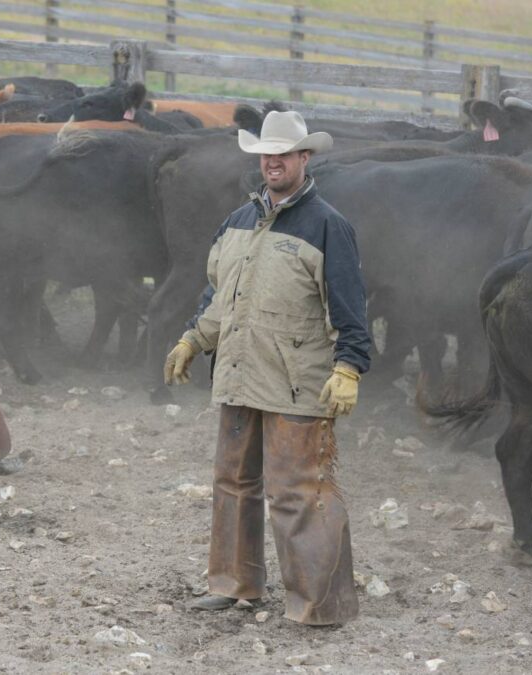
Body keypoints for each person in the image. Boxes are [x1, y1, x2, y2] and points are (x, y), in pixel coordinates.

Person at [164, 110, 371, 626]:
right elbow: (220, 297)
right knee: (233, 480)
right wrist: (195, 337)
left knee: (300, 489)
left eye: (283, 153)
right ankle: (234, 586)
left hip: (297, 384)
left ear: (305, 158)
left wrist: (349, 366)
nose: (273, 161)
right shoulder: (238, 221)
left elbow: (349, 308)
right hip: (237, 374)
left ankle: (321, 604)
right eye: (266, 153)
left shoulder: (328, 225)